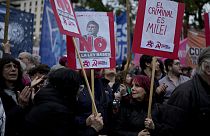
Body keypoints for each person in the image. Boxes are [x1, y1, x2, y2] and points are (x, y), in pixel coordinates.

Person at [22, 68, 104, 136]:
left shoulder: (50, 103)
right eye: (79, 87)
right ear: (70, 88)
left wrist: (85, 123)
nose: (80, 91)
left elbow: (68, 128)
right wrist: (93, 129)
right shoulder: (55, 110)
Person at [153, 46, 210, 136]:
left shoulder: (186, 80)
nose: (180, 66)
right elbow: (171, 130)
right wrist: (158, 93)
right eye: (177, 64)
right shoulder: (183, 92)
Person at [0, 53, 31, 136]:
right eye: (8, 66)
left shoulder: (24, 91)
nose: (13, 69)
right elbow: (4, 122)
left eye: (15, 66)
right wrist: (20, 106)